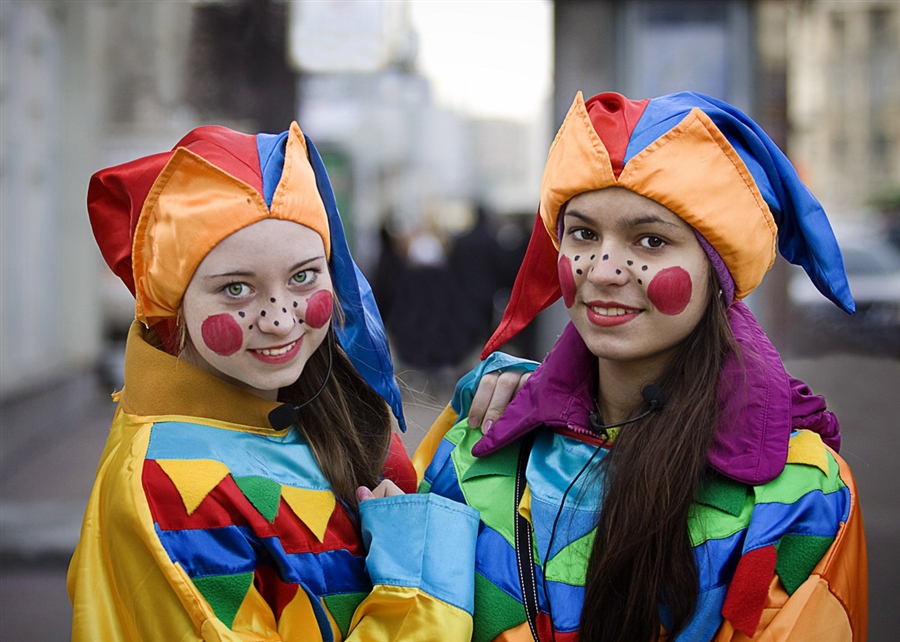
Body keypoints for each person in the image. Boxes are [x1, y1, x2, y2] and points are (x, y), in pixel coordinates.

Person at [415, 92, 868, 641]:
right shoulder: (476, 447)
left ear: (715, 273)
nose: (604, 270)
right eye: (583, 233)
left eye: (650, 240)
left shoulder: (800, 493)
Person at [68, 122, 496, 640]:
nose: (279, 319)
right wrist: (420, 586)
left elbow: (400, 505)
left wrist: (489, 415)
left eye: (302, 277)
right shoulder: (174, 484)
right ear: (172, 306)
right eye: (236, 289)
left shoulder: (304, 410)